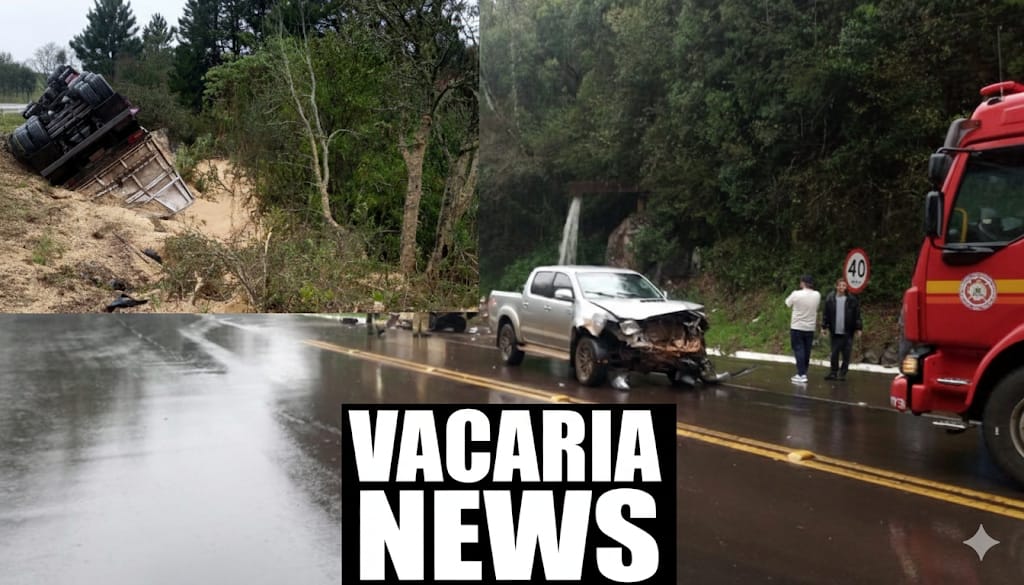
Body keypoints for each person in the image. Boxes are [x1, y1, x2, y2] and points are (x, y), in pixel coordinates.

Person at [821, 278, 863, 381]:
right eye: (840, 285)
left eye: (844, 286)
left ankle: (843, 373)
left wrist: (858, 328)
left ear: (846, 287)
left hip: (848, 331)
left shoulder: (852, 299)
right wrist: (824, 326)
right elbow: (826, 314)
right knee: (834, 353)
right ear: (836, 286)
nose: (841, 287)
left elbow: (857, 315)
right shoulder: (830, 299)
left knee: (846, 353)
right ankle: (833, 372)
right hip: (835, 330)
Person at [785, 274, 821, 384]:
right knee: (807, 350)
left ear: (803, 283)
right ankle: (804, 371)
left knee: (799, 350)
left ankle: (801, 374)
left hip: (797, 326)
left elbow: (787, 303)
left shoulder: (796, 294)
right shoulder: (817, 295)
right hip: (810, 327)